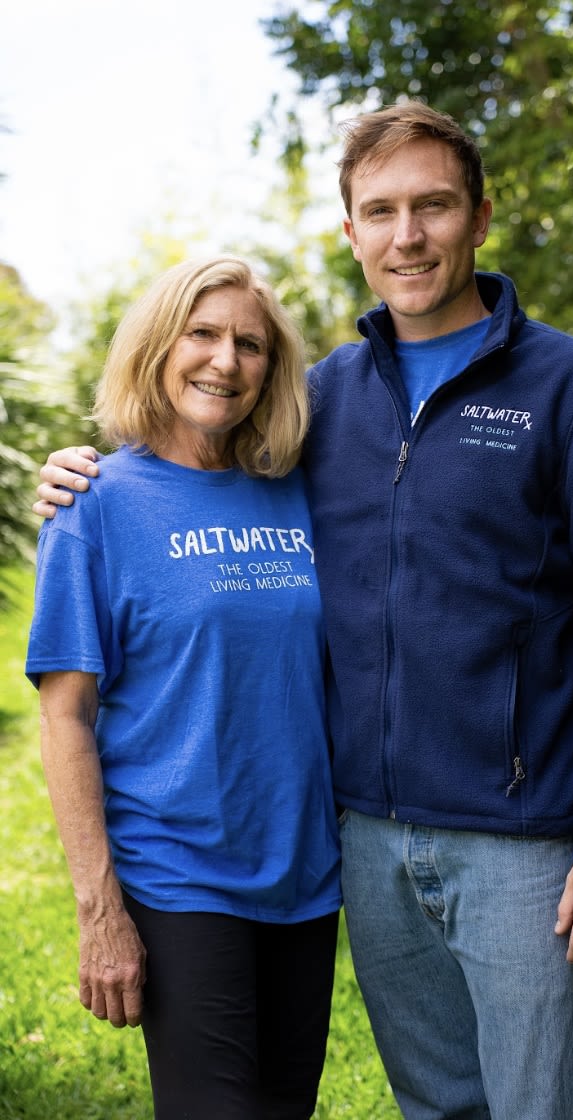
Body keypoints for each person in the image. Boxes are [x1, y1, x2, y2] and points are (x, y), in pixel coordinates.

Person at [35, 103, 573, 1120]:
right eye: (380, 211)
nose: (407, 235)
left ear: (479, 215)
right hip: (367, 844)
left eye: (432, 205)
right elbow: (183, 465)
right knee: (436, 1106)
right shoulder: (323, 403)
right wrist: (78, 470)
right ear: (350, 232)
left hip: (521, 838)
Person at [26, 256, 342, 1120]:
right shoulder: (94, 505)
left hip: (306, 876)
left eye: (250, 344)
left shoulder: (298, 495)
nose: (226, 361)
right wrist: (101, 912)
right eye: (202, 334)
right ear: (158, 347)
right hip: (179, 876)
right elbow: (65, 718)